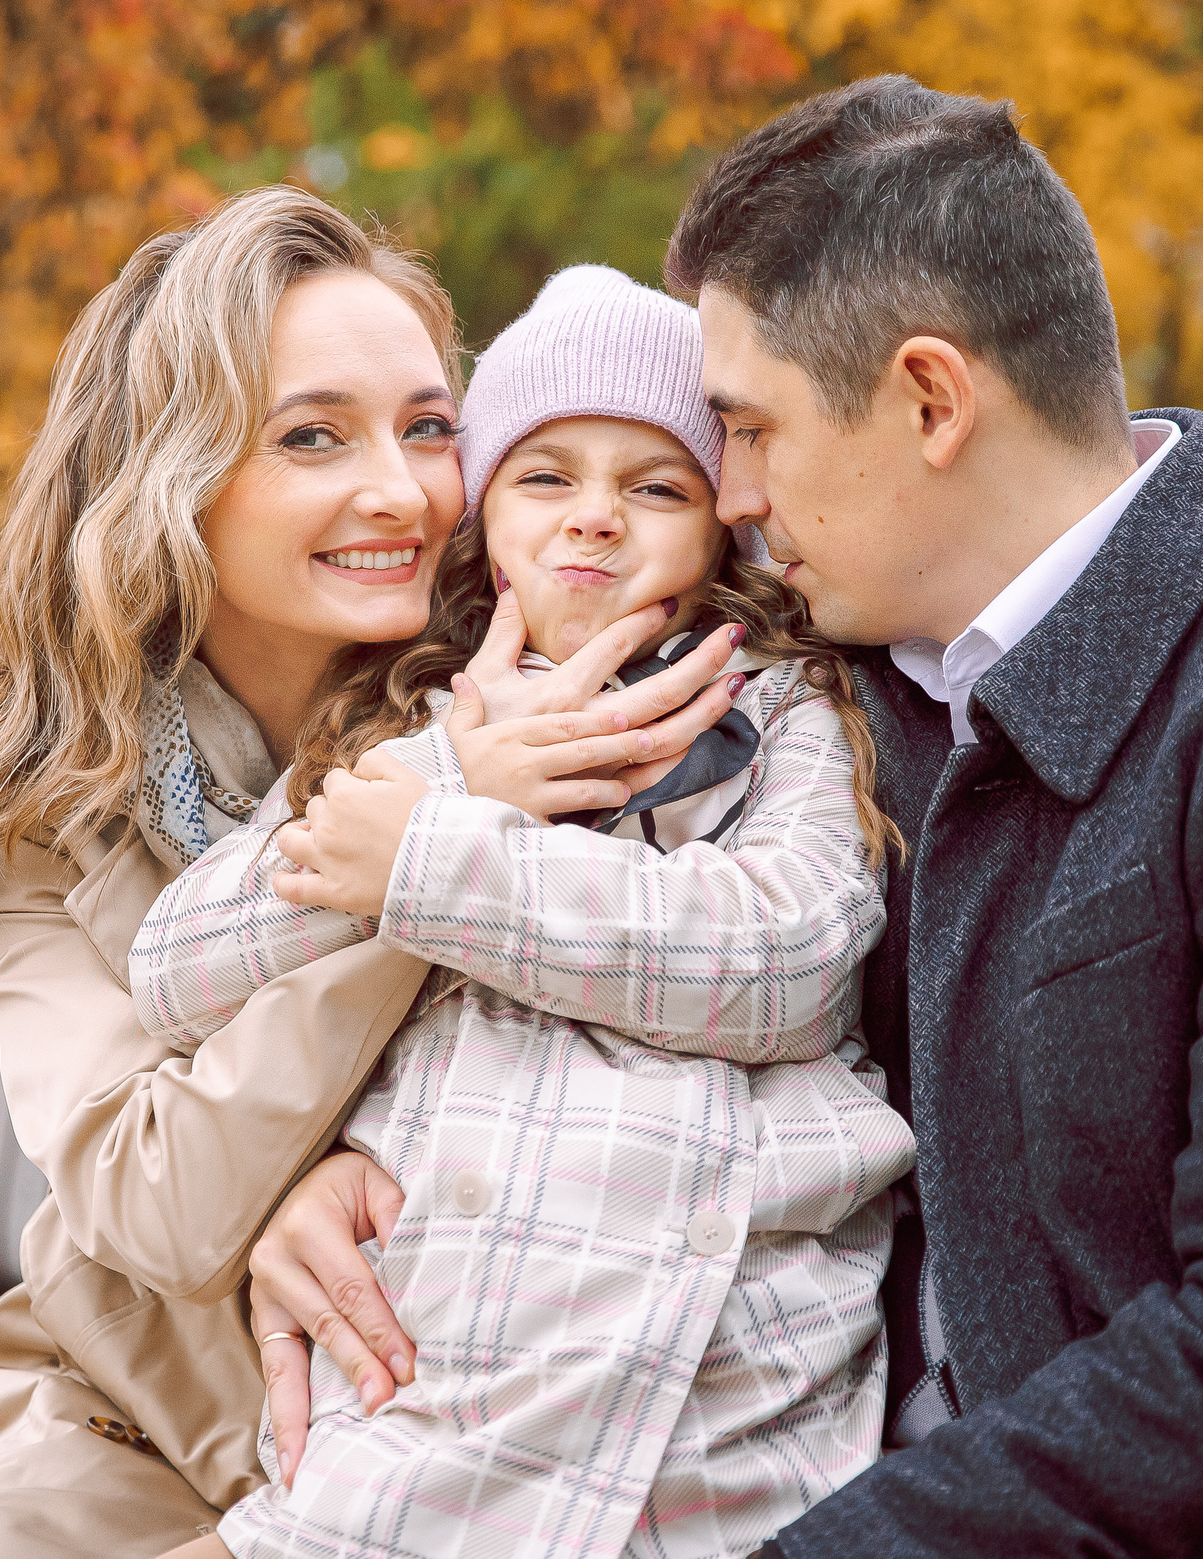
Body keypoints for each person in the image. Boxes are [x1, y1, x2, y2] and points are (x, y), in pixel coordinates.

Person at [247, 78, 1203, 1555]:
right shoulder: (838, 698)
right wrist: (326, 1179)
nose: (733, 498)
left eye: (747, 430)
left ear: (932, 400)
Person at [0, 188, 742, 1556]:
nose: (401, 490)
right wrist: (427, 842)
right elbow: (159, 1196)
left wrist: (433, 837)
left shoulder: (522, 675)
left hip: (440, 1417)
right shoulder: (44, 783)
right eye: (314, 436)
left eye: (430, 429)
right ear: (172, 470)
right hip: (132, 1407)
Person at [130, 268, 913, 1559]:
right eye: (545, 477)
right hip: (435, 1347)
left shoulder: (775, 710)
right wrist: (447, 780)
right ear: (485, 516)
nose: (595, 519)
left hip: (694, 1367)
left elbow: (791, 960)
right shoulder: (419, 728)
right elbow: (176, 968)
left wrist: (436, 864)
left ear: (723, 525)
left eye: (655, 485)